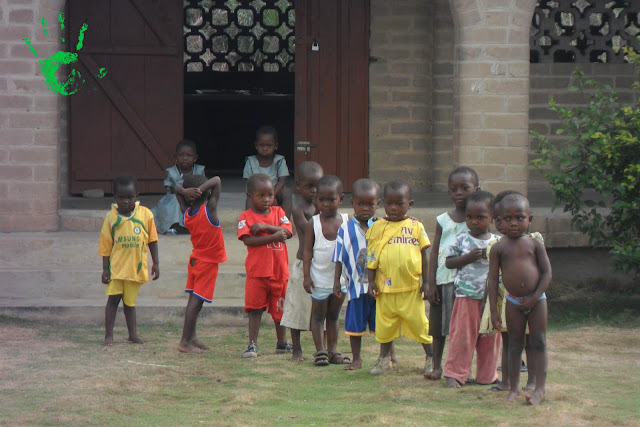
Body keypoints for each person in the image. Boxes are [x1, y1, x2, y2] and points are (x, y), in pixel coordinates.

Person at [488, 193, 552, 405]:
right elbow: (491, 279)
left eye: (519, 218)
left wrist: (534, 298)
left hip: (537, 301)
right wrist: (494, 311)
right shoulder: (498, 247)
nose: (514, 223)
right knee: (514, 344)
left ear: (530, 219)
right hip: (513, 302)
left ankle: (539, 389)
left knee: (538, 342)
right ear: (499, 221)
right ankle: (513, 388)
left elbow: (546, 274)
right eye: (508, 219)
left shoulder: (535, 244)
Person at [366, 179, 433, 376]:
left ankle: (431, 358)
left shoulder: (416, 226)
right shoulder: (377, 228)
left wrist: (427, 282)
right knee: (385, 326)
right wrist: (370, 281)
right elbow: (372, 256)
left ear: (409, 204)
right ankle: (383, 360)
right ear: (382, 203)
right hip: (385, 288)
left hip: (410, 288)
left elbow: (425, 254)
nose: (393, 208)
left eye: (399, 203)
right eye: (389, 203)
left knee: (421, 324)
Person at [425, 166, 479, 380]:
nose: (459, 192)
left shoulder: (477, 220)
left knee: (464, 330)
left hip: (468, 284)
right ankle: (436, 366)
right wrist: (430, 284)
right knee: (438, 328)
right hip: (443, 280)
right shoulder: (442, 221)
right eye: (453, 189)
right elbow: (435, 251)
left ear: (476, 188)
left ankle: (464, 368)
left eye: (465, 188)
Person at [443, 190, 501, 389]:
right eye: (470, 217)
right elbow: (449, 263)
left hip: (492, 301)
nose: (474, 222)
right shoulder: (461, 239)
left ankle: (488, 375)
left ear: (492, 218)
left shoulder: (498, 243)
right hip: (466, 296)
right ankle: (455, 375)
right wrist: (468, 257)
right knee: (462, 337)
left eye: (480, 217)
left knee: (491, 338)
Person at [99, 174, 159, 346]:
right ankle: (108, 335)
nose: (125, 201)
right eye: (121, 197)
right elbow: (105, 247)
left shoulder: (145, 215)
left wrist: (156, 263)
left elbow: (153, 240)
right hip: (117, 270)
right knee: (113, 302)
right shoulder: (111, 219)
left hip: (135, 269)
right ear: (114, 197)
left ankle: (132, 335)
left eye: (130, 197)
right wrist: (105, 269)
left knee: (130, 304)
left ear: (137, 196)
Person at [238, 173, 293, 358]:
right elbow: (248, 240)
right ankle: (252, 344)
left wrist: (266, 227)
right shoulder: (246, 216)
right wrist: (274, 236)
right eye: (260, 195)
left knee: (280, 309)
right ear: (249, 196)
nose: (266, 199)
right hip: (258, 273)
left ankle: (281, 342)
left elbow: (288, 231)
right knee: (254, 309)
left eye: (269, 195)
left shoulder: (279, 213)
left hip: (279, 272)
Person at [174, 174, 226, 353]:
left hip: (195, 260)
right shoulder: (209, 210)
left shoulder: (186, 212)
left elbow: (175, 188)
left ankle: (192, 337)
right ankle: (184, 342)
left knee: (193, 301)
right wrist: (199, 191)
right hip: (207, 263)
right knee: (195, 304)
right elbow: (217, 180)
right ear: (206, 193)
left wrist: (185, 191)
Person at [333, 178, 381, 370]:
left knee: (383, 323)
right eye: (360, 204)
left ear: (378, 204)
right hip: (355, 286)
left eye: (370, 204)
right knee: (354, 325)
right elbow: (338, 255)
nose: (365, 208)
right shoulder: (345, 228)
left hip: (378, 286)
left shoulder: (381, 226)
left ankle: (387, 355)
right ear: (352, 203)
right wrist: (337, 280)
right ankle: (357, 358)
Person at [303, 175, 349, 366]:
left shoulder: (347, 222)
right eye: (321, 200)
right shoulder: (313, 223)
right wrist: (306, 276)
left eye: (331, 199)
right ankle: (320, 351)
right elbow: (307, 251)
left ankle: (333, 351)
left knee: (333, 316)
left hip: (341, 281)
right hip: (319, 279)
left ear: (341, 199)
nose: (326, 204)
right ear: (316, 200)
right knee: (318, 316)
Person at [280, 161, 324, 361]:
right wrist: (321, 212)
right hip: (302, 264)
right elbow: (309, 230)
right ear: (299, 186)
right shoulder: (299, 208)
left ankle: (322, 349)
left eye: (318, 186)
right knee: (296, 307)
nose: (315, 191)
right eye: (309, 186)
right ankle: (296, 348)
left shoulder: (325, 206)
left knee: (320, 308)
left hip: (322, 264)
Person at [151, 139, 206, 234]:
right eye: (181, 155)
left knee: (202, 204)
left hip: (194, 197)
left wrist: (194, 193)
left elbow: (204, 185)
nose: (184, 158)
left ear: (195, 158)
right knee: (176, 200)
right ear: (175, 157)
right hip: (175, 198)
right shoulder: (172, 172)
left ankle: (191, 225)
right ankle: (174, 225)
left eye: (189, 155)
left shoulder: (199, 170)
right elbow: (169, 188)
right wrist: (183, 191)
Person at [243, 126, 291, 217]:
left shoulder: (279, 160)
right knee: (249, 197)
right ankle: (249, 222)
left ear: (276, 146)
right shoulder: (250, 161)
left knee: (287, 193)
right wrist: (262, 195)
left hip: (275, 191)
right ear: (256, 145)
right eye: (261, 145)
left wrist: (272, 196)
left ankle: (285, 224)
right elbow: (249, 182)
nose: (265, 148)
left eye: (269, 145)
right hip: (257, 192)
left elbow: (282, 181)